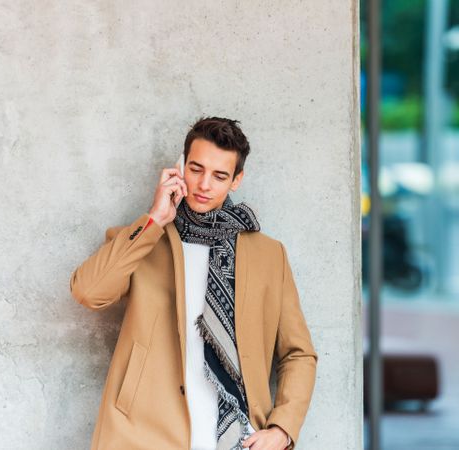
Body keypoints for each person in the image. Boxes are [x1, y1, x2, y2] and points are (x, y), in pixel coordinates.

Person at [69, 117, 317, 450]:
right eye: (196, 169)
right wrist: (155, 219)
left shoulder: (269, 255)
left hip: (238, 437)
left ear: (236, 180)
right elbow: (88, 291)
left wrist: (282, 429)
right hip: (144, 434)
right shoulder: (142, 240)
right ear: (180, 167)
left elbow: (298, 353)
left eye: (219, 176)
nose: (204, 185)